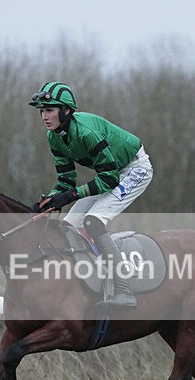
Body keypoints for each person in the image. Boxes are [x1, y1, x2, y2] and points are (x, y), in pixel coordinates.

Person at [29, 81, 153, 308]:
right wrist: (50, 199)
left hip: (135, 169)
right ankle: (82, 284)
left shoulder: (86, 131)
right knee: (68, 226)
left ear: (65, 111)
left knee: (93, 221)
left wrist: (68, 196)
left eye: (49, 110)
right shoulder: (54, 137)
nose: (44, 117)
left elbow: (109, 179)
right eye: (42, 112)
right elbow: (66, 180)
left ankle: (123, 289)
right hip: (111, 173)